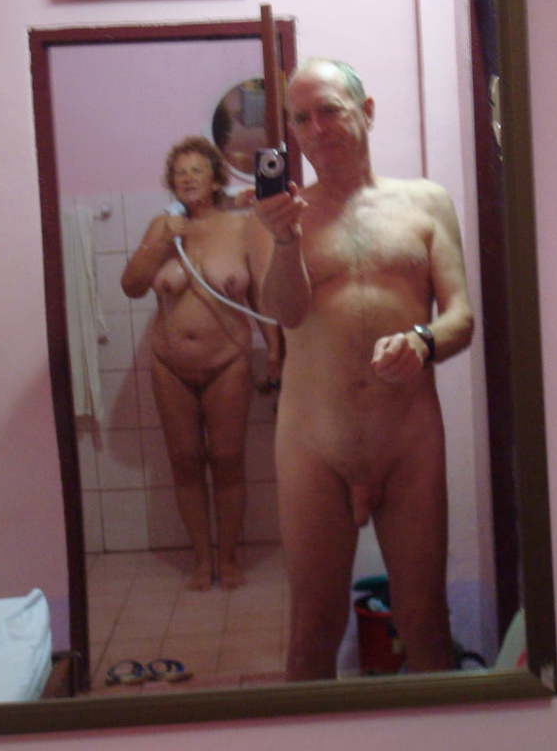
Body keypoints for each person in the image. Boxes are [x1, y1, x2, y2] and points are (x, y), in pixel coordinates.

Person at [249, 58, 474, 679]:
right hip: (313, 445)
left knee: (427, 622)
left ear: (366, 111)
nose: (316, 128)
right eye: (301, 118)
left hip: (408, 443)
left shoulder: (425, 203)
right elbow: (286, 315)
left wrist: (422, 342)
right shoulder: (276, 216)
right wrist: (286, 240)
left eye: (329, 110)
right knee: (311, 631)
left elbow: (461, 318)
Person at [121, 136, 281, 590]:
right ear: (171, 183)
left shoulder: (242, 226)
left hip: (227, 360)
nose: (187, 178)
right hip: (169, 362)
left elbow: (261, 295)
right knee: (185, 460)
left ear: (215, 179)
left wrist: (274, 352)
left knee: (227, 458)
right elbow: (131, 286)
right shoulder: (162, 227)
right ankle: (200, 558)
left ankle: (227, 558)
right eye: (180, 172)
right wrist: (159, 244)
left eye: (197, 170)